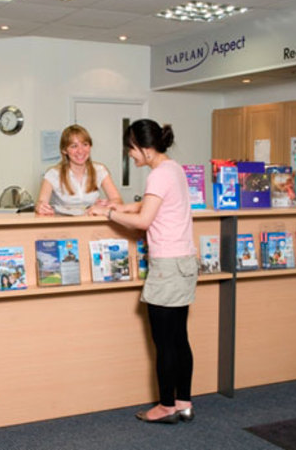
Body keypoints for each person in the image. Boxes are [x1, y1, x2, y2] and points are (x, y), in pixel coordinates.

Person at [89, 119, 198, 424]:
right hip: (184, 261)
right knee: (179, 338)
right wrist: (119, 207)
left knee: (164, 343)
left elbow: (144, 221)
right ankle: (183, 403)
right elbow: (154, 208)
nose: (130, 155)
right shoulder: (173, 169)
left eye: (131, 148)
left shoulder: (158, 175)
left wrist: (108, 213)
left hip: (167, 266)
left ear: (144, 147)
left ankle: (165, 407)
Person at [35, 124, 122, 216]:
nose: (80, 151)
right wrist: (40, 207)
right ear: (64, 150)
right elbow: (41, 203)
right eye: (74, 146)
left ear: (90, 146)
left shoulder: (100, 170)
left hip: (92, 221)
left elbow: (118, 201)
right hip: (62, 222)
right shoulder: (52, 174)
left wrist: (107, 205)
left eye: (85, 145)